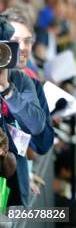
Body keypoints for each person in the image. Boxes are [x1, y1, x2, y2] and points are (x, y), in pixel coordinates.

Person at [0, 13, 47, 206]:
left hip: (14, 182)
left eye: (3, 49)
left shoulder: (19, 79)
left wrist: (8, 90)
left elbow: (37, 125)